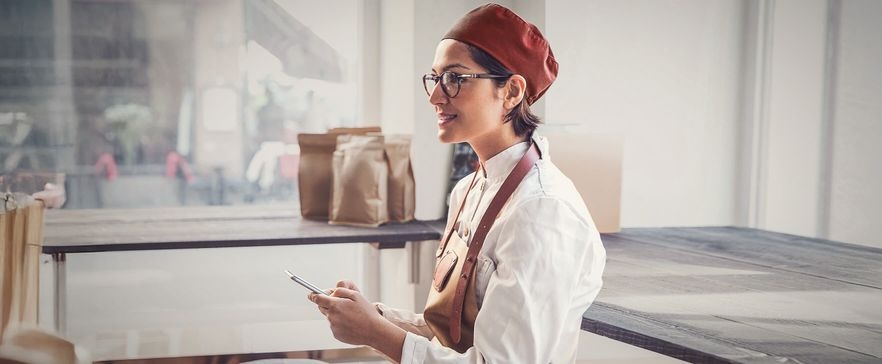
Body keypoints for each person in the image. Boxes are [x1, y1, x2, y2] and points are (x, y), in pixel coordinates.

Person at [309, 4, 606, 363]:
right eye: (435, 79)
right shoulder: (466, 190)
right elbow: (450, 335)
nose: (435, 96)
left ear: (511, 92)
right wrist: (374, 317)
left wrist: (374, 332)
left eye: (455, 78)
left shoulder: (541, 211)